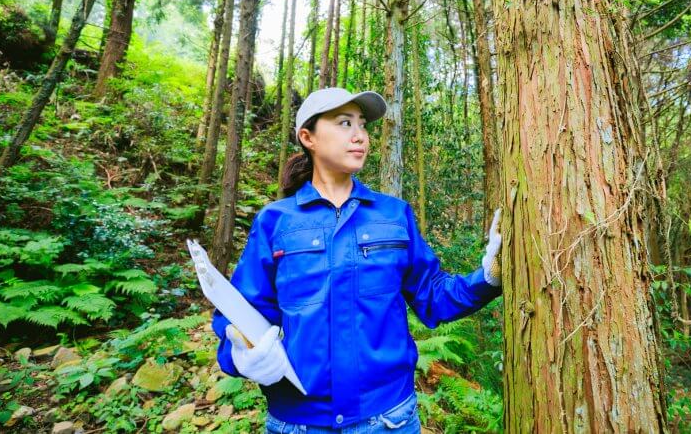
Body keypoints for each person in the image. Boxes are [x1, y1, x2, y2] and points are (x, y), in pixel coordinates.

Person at [212, 87, 503, 434]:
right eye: (344, 123)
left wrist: (490, 274)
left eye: (363, 125)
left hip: (389, 419)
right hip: (297, 422)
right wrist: (240, 356)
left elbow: (434, 297)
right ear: (308, 137)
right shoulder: (275, 221)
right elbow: (242, 314)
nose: (359, 136)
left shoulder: (394, 215)